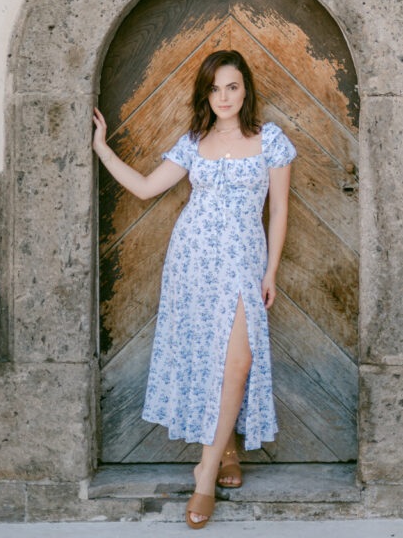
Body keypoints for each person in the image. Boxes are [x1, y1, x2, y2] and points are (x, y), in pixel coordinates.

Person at [92, 49, 296, 529]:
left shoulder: (270, 141)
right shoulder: (193, 142)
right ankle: (224, 451)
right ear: (205, 94)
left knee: (239, 361)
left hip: (244, 261)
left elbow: (280, 211)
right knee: (207, 356)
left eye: (232, 86)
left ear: (245, 89)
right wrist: (101, 148)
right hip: (193, 262)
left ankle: (205, 473)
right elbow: (144, 188)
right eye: (214, 88)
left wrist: (270, 273)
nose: (223, 96)